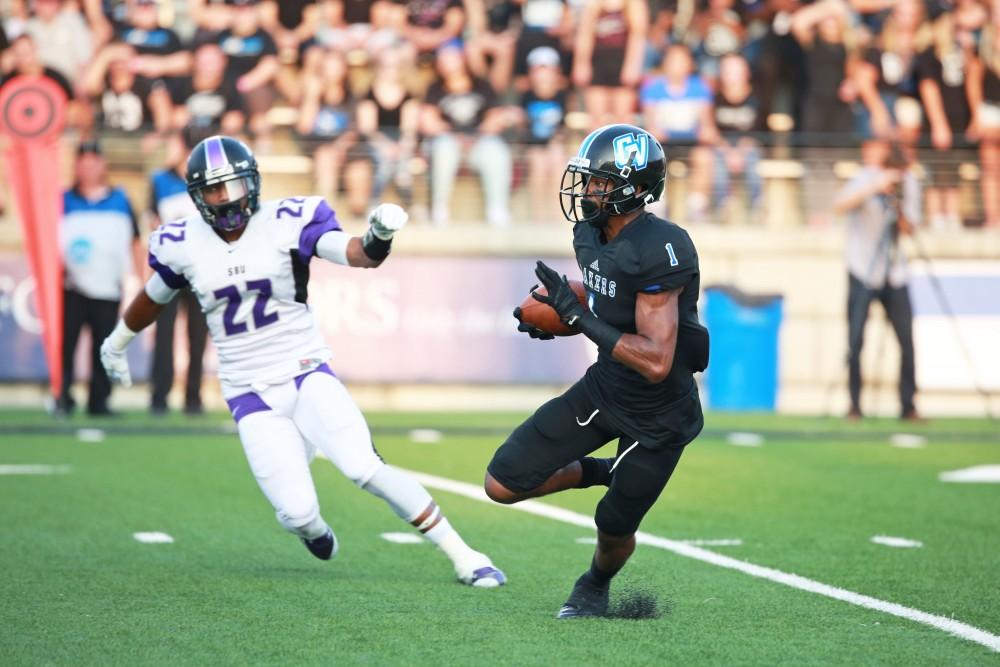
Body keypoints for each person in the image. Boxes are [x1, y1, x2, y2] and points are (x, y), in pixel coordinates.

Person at [99, 135, 506, 587]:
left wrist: (379, 237)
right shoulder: (182, 241)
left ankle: (465, 554)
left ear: (252, 181)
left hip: (303, 369)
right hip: (249, 392)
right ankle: (313, 528)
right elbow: (155, 296)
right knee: (296, 514)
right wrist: (117, 341)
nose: (226, 198)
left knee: (362, 466)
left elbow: (357, 255)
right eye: (214, 189)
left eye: (233, 185)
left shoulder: (286, 220)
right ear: (197, 195)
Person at [486, 124, 709, 618]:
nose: (586, 190)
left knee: (613, 527)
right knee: (502, 483)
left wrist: (576, 318)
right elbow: (606, 293)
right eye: (586, 179)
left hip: (659, 416)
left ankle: (593, 585)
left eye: (598, 182)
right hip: (605, 389)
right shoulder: (590, 231)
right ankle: (603, 472)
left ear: (631, 189)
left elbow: (656, 360)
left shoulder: (660, 246)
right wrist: (562, 308)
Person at [833, 139, 921, 421]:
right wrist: (874, 187)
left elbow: (909, 229)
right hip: (862, 269)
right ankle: (854, 404)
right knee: (856, 338)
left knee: (906, 340)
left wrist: (898, 205)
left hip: (895, 271)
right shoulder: (866, 178)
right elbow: (840, 205)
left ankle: (908, 405)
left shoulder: (909, 185)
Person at [58, 140, 143, 416]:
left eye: (93, 162)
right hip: (71, 286)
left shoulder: (120, 198)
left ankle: (100, 401)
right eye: (82, 162)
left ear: (103, 165)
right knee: (66, 346)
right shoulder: (63, 199)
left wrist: (140, 279)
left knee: (104, 348)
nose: (88, 168)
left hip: (108, 286)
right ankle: (62, 397)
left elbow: (134, 241)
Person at [147, 128, 210, 416]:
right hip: (169, 271)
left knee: (198, 338)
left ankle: (193, 398)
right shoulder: (160, 180)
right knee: (164, 337)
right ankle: (159, 397)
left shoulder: (210, 183)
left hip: (201, 273)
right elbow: (151, 221)